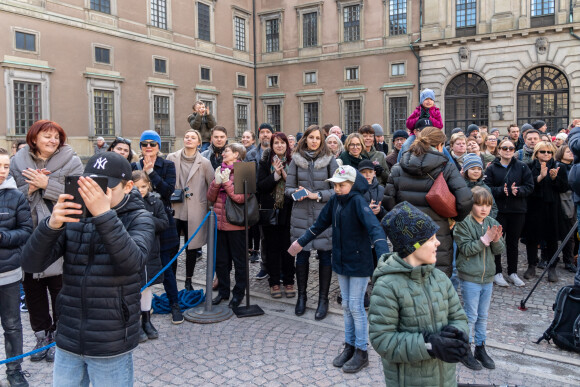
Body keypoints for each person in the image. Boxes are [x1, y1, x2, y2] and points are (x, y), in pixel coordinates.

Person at [22, 152, 154, 387]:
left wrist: (104, 215)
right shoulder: (75, 217)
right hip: (69, 336)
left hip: (110, 341)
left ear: (128, 186)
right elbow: (32, 264)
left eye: (104, 188)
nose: (94, 195)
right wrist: (51, 225)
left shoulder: (140, 218)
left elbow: (132, 264)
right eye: (90, 185)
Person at [288, 166, 389, 373]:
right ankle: (349, 346)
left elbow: (375, 229)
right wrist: (301, 241)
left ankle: (362, 351)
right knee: (346, 307)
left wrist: (384, 257)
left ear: (352, 184)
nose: (337, 189)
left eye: (342, 185)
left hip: (359, 262)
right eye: (335, 185)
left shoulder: (359, 202)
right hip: (341, 260)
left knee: (355, 306)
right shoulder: (335, 201)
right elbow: (319, 225)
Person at [369, 202, 470, 386]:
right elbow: (382, 340)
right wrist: (429, 345)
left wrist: (458, 334)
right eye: (431, 238)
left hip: (445, 379)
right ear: (413, 245)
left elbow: (459, 317)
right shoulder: (387, 286)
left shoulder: (440, 278)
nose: (438, 242)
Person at [10, 120, 84, 363]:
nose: (52, 141)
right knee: (33, 291)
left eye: (56, 136)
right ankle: (41, 336)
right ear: (33, 139)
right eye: (47, 136)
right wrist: (30, 189)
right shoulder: (18, 162)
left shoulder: (71, 160)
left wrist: (47, 185)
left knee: (60, 288)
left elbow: (80, 195)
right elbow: (11, 199)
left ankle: (60, 336)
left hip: (60, 234)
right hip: (30, 233)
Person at [384, 127, 473, 277]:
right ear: (439, 146)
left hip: (407, 234)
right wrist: (454, 218)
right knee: (436, 283)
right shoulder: (447, 167)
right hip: (437, 233)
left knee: (407, 280)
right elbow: (465, 200)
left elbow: (388, 202)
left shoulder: (398, 167)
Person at [285, 125, 338, 320]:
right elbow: (287, 189)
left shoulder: (330, 160)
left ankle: (322, 300)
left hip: (324, 215)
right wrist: (297, 194)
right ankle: (302, 297)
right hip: (301, 214)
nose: (314, 141)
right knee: (302, 256)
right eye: (311, 137)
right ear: (305, 139)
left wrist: (317, 195)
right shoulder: (296, 161)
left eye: (318, 138)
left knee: (325, 257)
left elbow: (338, 189)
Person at [132, 130, 183, 324]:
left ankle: (175, 305)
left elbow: (168, 191)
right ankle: (142, 309)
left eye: (152, 144)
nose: (148, 148)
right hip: (137, 223)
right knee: (139, 267)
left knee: (166, 267)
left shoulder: (168, 165)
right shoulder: (134, 166)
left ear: (158, 146)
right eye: (145, 144)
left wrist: (152, 172)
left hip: (162, 222)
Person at [453, 187, 505, 371]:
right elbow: (465, 249)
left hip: (488, 277)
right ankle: (464, 350)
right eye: (479, 204)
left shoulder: (492, 222)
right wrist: (485, 239)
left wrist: (496, 240)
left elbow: (500, 251)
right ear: (471, 205)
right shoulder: (463, 223)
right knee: (470, 315)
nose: (484, 209)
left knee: (483, 316)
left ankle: (480, 348)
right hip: (470, 277)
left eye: (488, 205)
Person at [0, 148, 33, 387]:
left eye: (5, 167)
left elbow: (25, 231)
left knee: (12, 324)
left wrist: (2, 237)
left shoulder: (16, 196)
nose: (2, 172)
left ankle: (15, 369)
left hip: (8, 272)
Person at [166, 129, 214, 291]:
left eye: (193, 137)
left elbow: (211, 186)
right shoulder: (171, 158)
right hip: (175, 208)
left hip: (195, 210)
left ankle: (188, 280)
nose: (189, 139)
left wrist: (209, 208)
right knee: (172, 246)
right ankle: (171, 279)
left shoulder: (205, 163)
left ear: (198, 142)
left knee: (192, 247)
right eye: (186, 136)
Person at [484, 139, 534, 287]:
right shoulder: (492, 168)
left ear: (514, 150)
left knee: (513, 243)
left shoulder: (522, 167)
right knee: (497, 241)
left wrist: (517, 191)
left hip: (517, 210)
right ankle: (497, 272)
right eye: (504, 148)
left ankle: (513, 272)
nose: (507, 150)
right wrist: (501, 191)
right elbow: (486, 187)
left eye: (511, 148)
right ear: (499, 150)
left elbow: (530, 186)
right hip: (499, 211)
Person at [207, 143, 248, 308]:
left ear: (236, 154)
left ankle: (238, 294)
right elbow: (210, 197)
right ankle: (223, 292)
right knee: (221, 261)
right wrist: (217, 182)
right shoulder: (219, 169)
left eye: (227, 151)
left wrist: (226, 183)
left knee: (239, 262)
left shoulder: (244, 171)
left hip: (236, 225)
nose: (223, 153)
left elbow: (241, 198)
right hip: (219, 223)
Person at [522, 141, 568, 283]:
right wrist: (540, 177)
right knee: (532, 238)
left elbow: (564, 187)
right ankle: (531, 265)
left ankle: (552, 267)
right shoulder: (528, 166)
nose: (546, 154)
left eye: (549, 152)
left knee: (552, 238)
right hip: (534, 207)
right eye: (543, 151)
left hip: (552, 207)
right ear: (536, 153)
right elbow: (527, 187)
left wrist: (554, 179)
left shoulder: (559, 166)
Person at [257, 133, 295, 298]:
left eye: (282, 143)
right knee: (272, 248)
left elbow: (298, 186)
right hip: (270, 211)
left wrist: (285, 176)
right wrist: (276, 176)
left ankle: (289, 281)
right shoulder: (265, 162)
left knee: (288, 248)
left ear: (287, 145)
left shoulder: (294, 163)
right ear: (272, 146)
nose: (279, 146)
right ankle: (274, 282)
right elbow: (260, 186)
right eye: (276, 143)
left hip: (289, 211)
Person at [131, 170, 167, 342]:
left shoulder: (155, 202)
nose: (140, 190)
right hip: (132, 251)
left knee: (147, 287)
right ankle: (134, 322)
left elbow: (164, 223)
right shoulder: (125, 203)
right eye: (137, 187)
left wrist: (146, 219)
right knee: (133, 287)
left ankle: (146, 320)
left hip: (151, 251)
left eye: (144, 186)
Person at [245, 123, 274, 268]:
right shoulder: (250, 154)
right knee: (259, 232)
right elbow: (245, 178)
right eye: (262, 132)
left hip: (272, 197)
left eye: (268, 132)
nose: (265, 135)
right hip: (255, 197)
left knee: (271, 235)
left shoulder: (277, 152)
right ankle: (264, 265)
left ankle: (275, 265)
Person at [555, 145, 578, 273]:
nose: (571, 153)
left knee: (572, 233)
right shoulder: (559, 166)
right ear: (561, 153)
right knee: (567, 233)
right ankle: (568, 260)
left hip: (573, 200)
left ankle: (570, 258)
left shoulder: (574, 165)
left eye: (572, 152)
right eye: (568, 151)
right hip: (564, 201)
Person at [462, 154, 498, 218]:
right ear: (466, 170)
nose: (476, 171)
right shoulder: (461, 187)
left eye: (479, 169)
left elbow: (493, 208)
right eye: (473, 169)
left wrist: (486, 221)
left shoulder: (486, 188)